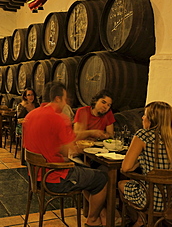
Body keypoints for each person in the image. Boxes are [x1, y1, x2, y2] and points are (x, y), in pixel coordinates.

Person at [23, 81, 108, 227]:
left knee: (87, 173)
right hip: (54, 178)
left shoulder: (31, 115)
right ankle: (93, 220)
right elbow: (71, 150)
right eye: (65, 98)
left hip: (34, 177)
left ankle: (93, 211)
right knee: (102, 178)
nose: (66, 102)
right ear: (58, 99)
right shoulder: (58, 118)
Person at [118, 101, 172, 227]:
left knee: (121, 184)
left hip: (152, 201)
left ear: (152, 119)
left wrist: (140, 160)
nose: (142, 118)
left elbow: (125, 167)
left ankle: (140, 221)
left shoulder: (143, 135)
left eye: (145, 115)